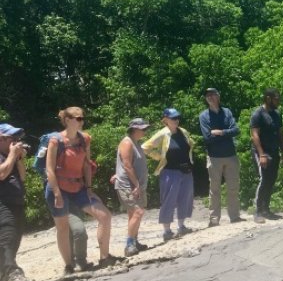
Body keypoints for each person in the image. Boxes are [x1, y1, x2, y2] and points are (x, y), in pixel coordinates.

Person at [44, 107, 121, 272]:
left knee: (105, 216)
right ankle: (68, 266)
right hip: (59, 188)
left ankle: (104, 258)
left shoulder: (85, 139)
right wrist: (57, 193)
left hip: (79, 188)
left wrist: (89, 188)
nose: (81, 121)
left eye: (82, 118)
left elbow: (87, 165)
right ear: (67, 120)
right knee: (63, 229)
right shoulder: (55, 141)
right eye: (77, 118)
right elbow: (49, 170)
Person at [142, 108, 195, 241]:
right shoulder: (162, 134)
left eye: (177, 118)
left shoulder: (183, 131)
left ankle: (182, 226)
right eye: (173, 118)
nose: (176, 120)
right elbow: (145, 147)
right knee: (168, 200)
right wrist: (159, 157)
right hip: (170, 171)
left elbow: (190, 145)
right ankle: (167, 231)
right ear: (165, 120)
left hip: (186, 170)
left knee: (185, 198)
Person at [199, 88, 243, 227]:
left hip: (231, 155)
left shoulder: (227, 112)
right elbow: (207, 138)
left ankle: (235, 216)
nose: (210, 97)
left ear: (218, 96)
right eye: (207, 96)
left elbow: (236, 130)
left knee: (233, 187)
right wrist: (226, 134)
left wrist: (220, 132)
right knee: (214, 189)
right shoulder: (204, 116)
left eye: (212, 94)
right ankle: (214, 219)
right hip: (214, 157)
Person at [0, 124, 35, 281]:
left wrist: (18, 158)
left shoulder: (10, 156)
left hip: (15, 202)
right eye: (12, 139)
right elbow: (2, 174)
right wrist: (13, 155)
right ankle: (13, 275)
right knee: (7, 237)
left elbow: (22, 177)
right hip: (3, 203)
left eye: (17, 139)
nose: (16, 142)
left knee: (14, 238)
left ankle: (4, 276)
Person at [114, 118, 150, 256]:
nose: (145, 131)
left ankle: (134, 241)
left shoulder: (136, 143)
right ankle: (129, 244)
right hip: (128, 185)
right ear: (135, 129)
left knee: (133, 214)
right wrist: (136, 185)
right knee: (138, 212)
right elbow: (127, 165)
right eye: (143, 129)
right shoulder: (127, 142)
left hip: (136, 185)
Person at [250, 88, 283, 224]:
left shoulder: (277, 114)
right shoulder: (258, 114)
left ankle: (266, 209)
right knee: (264, 179)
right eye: (277, 98)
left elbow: (280, 134)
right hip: (262, 152)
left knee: (271, 180)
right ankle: (258, 211)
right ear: (268, 98)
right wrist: (261, 154)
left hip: (274, 151)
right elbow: (255, 135)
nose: (279, 101)